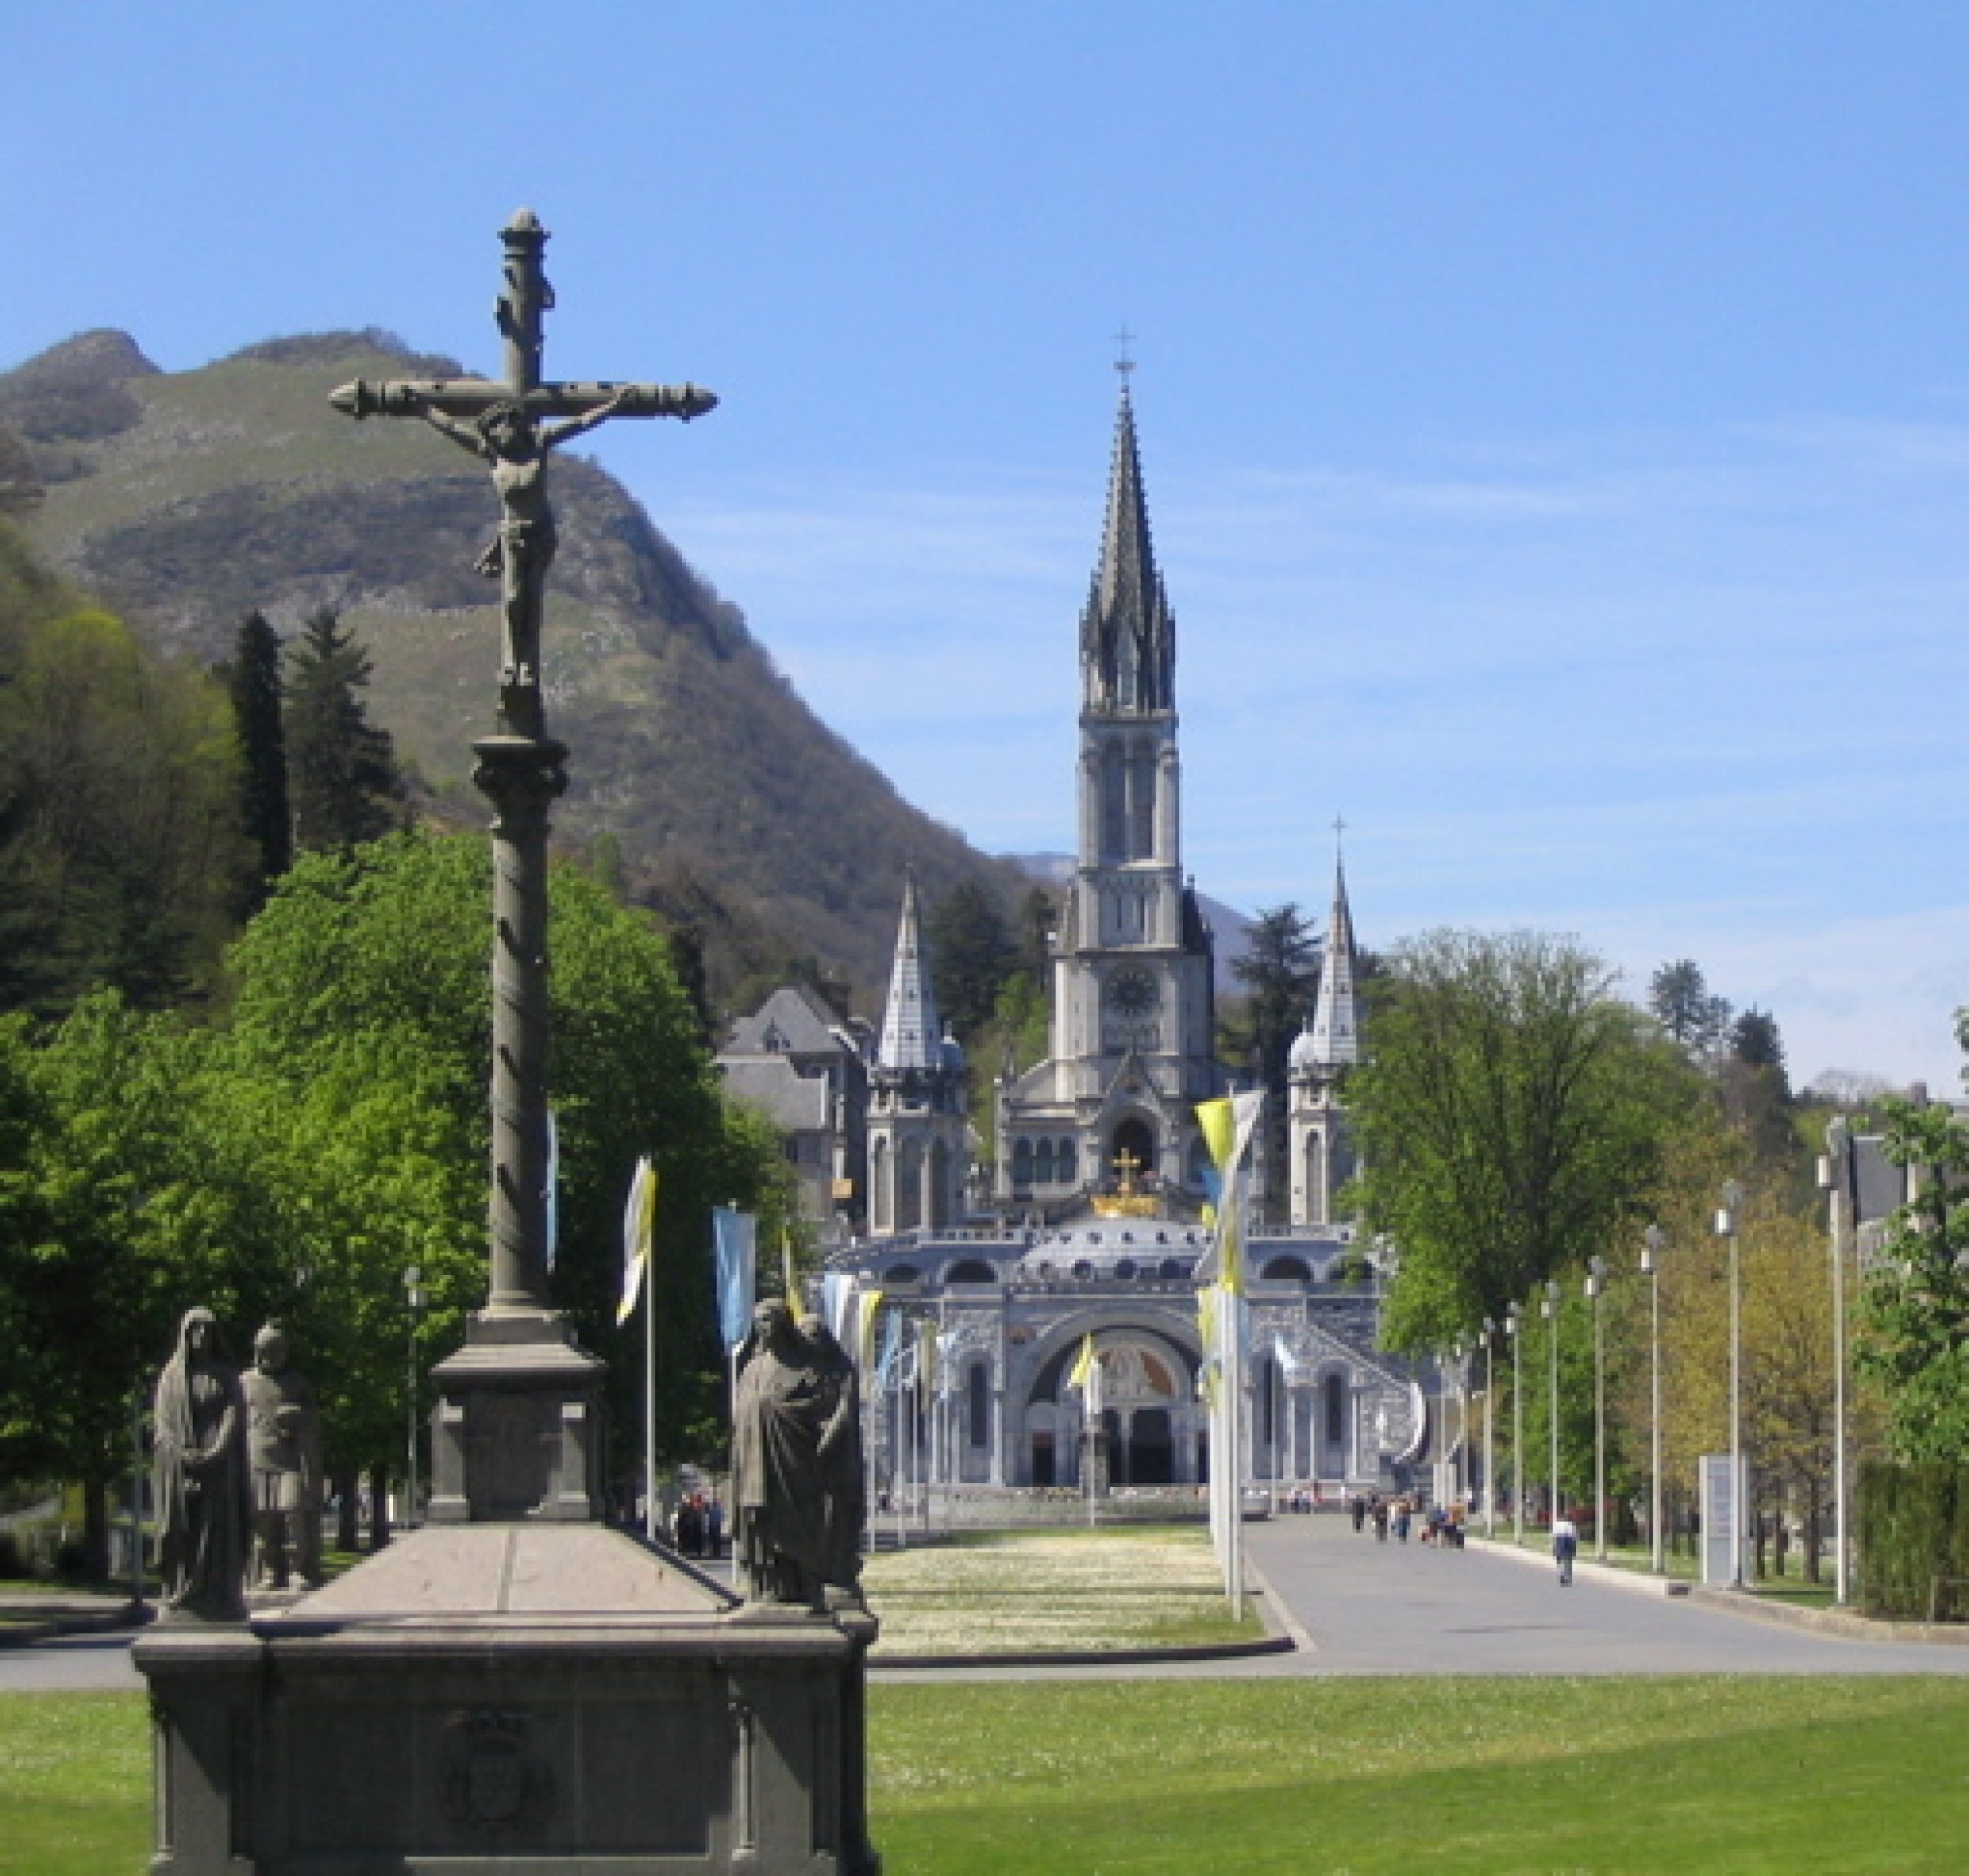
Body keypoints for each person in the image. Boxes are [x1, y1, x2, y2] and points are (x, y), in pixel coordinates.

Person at [732, 1299, 863, 1607]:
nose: (762, 1328)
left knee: (796, 1529)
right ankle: (765, 1586)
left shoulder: (806, 1371)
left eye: (768, 1320)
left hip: (792, 1466)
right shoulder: (751, 1369)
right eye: (759, 1322)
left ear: (783, 1324)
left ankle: (802, 1583)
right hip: (754, 1461)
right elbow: (741, 1413)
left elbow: (822, 1409)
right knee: (761, 1529)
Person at [153, 1307, 251, 1622]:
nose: (203, 1336)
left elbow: (234, 1415)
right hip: (180, 1467)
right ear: (186, 1334)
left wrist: (217, 1451)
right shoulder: (171, 1377)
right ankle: (181, 1592)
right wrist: (182, 1453)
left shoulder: (226, 1376)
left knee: (217, 1532)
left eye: (208, 1330)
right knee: (183, 1530)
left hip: (219, 1470)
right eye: (197, 1330)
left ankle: (218, 1593)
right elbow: (163, 1423)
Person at [240, 1322, 323, 1590]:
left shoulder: (297, 1383)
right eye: (269, 1350)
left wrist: (299, 1416)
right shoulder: (244, 1383)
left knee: (293, 1512)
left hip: (289, 1460)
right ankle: (269, 1570)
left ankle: (300, 1568)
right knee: (264, 1520)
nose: (275, 1356)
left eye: (279, 1350)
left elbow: (313, 1418)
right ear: (258, 1351)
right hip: (257, 1459)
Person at [1553, 1512, 1579, 1586]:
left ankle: (1562, 1575)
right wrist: (1574, 1549)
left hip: (1560, 1541)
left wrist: (1555, 1547)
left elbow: (1555, 1536)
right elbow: (1573, 1537)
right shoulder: (1570, 1525)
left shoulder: (1557, 1524)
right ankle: (1568, 1577)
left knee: (1560, 1560)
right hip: (1567, 1542)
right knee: (1568, 1561)